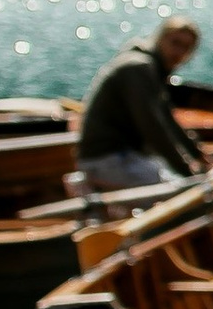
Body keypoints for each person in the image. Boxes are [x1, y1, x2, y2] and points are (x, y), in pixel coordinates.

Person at [74, 17, 204, 197]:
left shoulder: (150, 68)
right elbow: (153, 127)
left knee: (179, 183)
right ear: (160, 38)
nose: (179, 52)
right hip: (108, 160)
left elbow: (167, 119)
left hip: (119, 157)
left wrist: (197, 155)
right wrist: (190, 175)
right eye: (175, 42)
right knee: (183, 197)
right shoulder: (138, 68)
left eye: (186, 48)